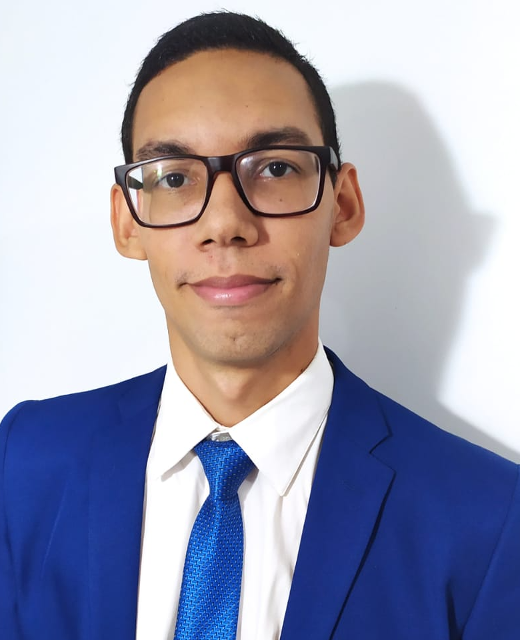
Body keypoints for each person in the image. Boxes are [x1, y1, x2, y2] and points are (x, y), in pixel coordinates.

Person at [1, 11, 519, 640]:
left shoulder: (490, 520)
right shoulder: (24, 463)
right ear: (127, 221)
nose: (225, 223)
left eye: (274, 168)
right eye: (173, 177)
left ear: (343, 205)